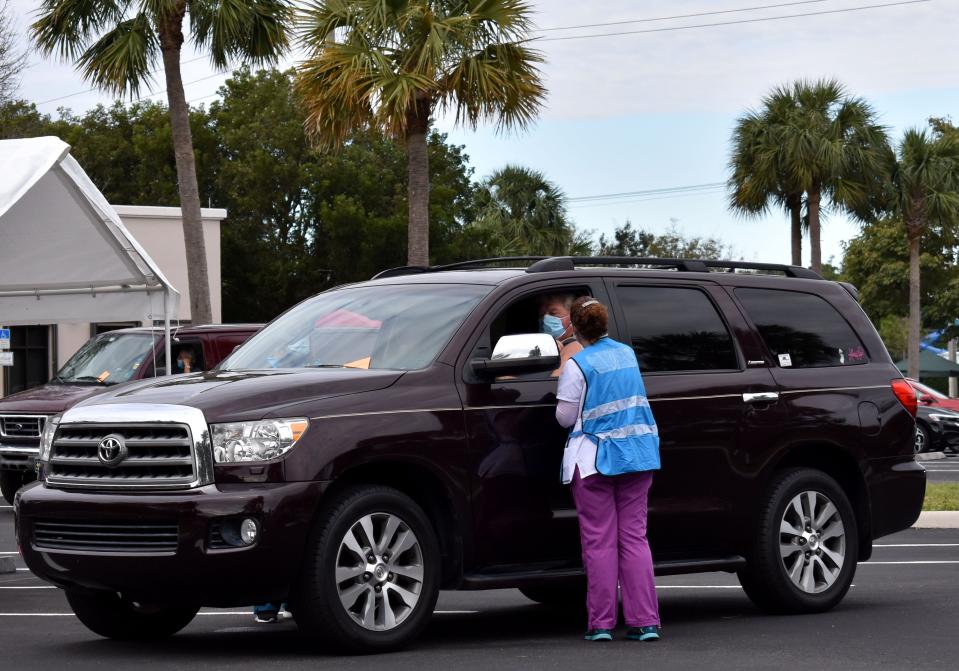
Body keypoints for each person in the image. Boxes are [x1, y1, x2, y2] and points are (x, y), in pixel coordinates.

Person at [555, 296, 661, 643]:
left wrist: (562, 360)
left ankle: (601, 625)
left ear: (572, 327)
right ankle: (645, 622)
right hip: (637, 455)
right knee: (635, 538)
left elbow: (565, 418)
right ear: (605, 324)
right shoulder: (628, 355)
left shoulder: (578, 365)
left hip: (594, 460)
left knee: (600, 542)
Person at [538, 293, 583, 373]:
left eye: (553, 313)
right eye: (542, 315)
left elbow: (555, 383)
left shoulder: (575, 347)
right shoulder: (542, 346)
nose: (545, 318)